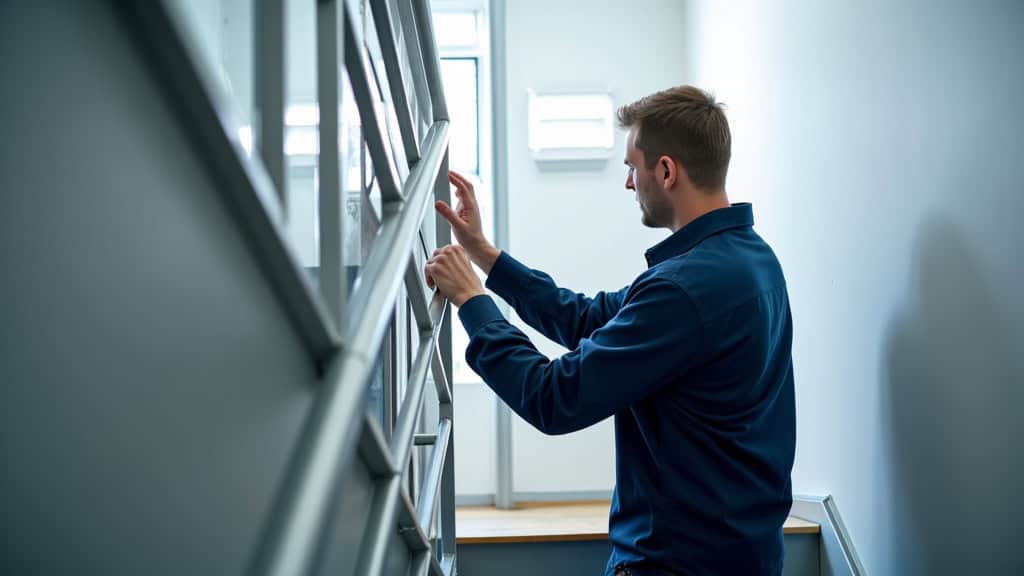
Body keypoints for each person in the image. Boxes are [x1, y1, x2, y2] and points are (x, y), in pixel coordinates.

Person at [425, 85, 795, 576]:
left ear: (665, 172)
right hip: (743, 555)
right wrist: (486, 257)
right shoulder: (751, 259)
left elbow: (553, 397)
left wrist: (473, 303)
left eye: (631, 167)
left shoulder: (685, 289)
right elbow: (589, 319)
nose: (628, 184)